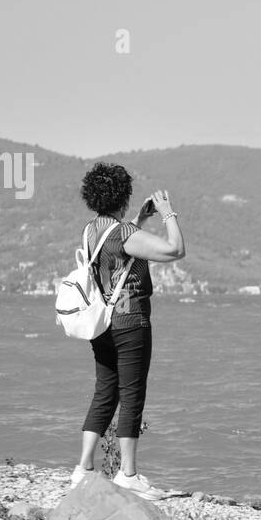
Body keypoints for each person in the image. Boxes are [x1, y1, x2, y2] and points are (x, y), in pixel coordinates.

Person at [69, 162, 185, 499]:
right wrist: (167, 214)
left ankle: (83, 467)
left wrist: (140, 219)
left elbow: (115, 245)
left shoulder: (91, 230)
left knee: (105, 392)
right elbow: (175, 250)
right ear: (122, 196)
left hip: (103, 323)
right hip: (132, 321)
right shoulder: (124, 233)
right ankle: (128, 474)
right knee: (132, 394)